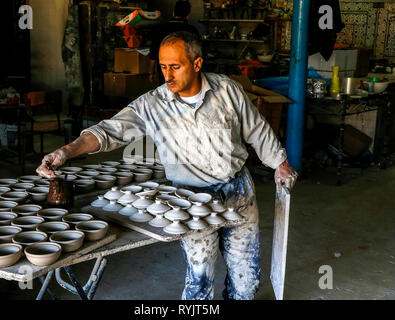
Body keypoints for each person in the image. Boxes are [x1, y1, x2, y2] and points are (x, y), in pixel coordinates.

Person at [36, 31, 297, 300]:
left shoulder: (227, 90)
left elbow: (256, 130)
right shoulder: (153, 104)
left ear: (197, 64)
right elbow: (109, 131)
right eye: (163, 67)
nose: (168, 75)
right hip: (192, 198)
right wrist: (67, 151)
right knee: (200, 278)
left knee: (246, 276)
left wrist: (280, 162)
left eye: (175, 66)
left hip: (238, 190)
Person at [148, 0, 200, 84]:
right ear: (187, 16)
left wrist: (151, 72)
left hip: (164, 73)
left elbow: (153, 53)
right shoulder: (191, 30)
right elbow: (196, 54)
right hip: (185, 74)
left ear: (173, 13)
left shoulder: (160, 29)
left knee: (166, 94)